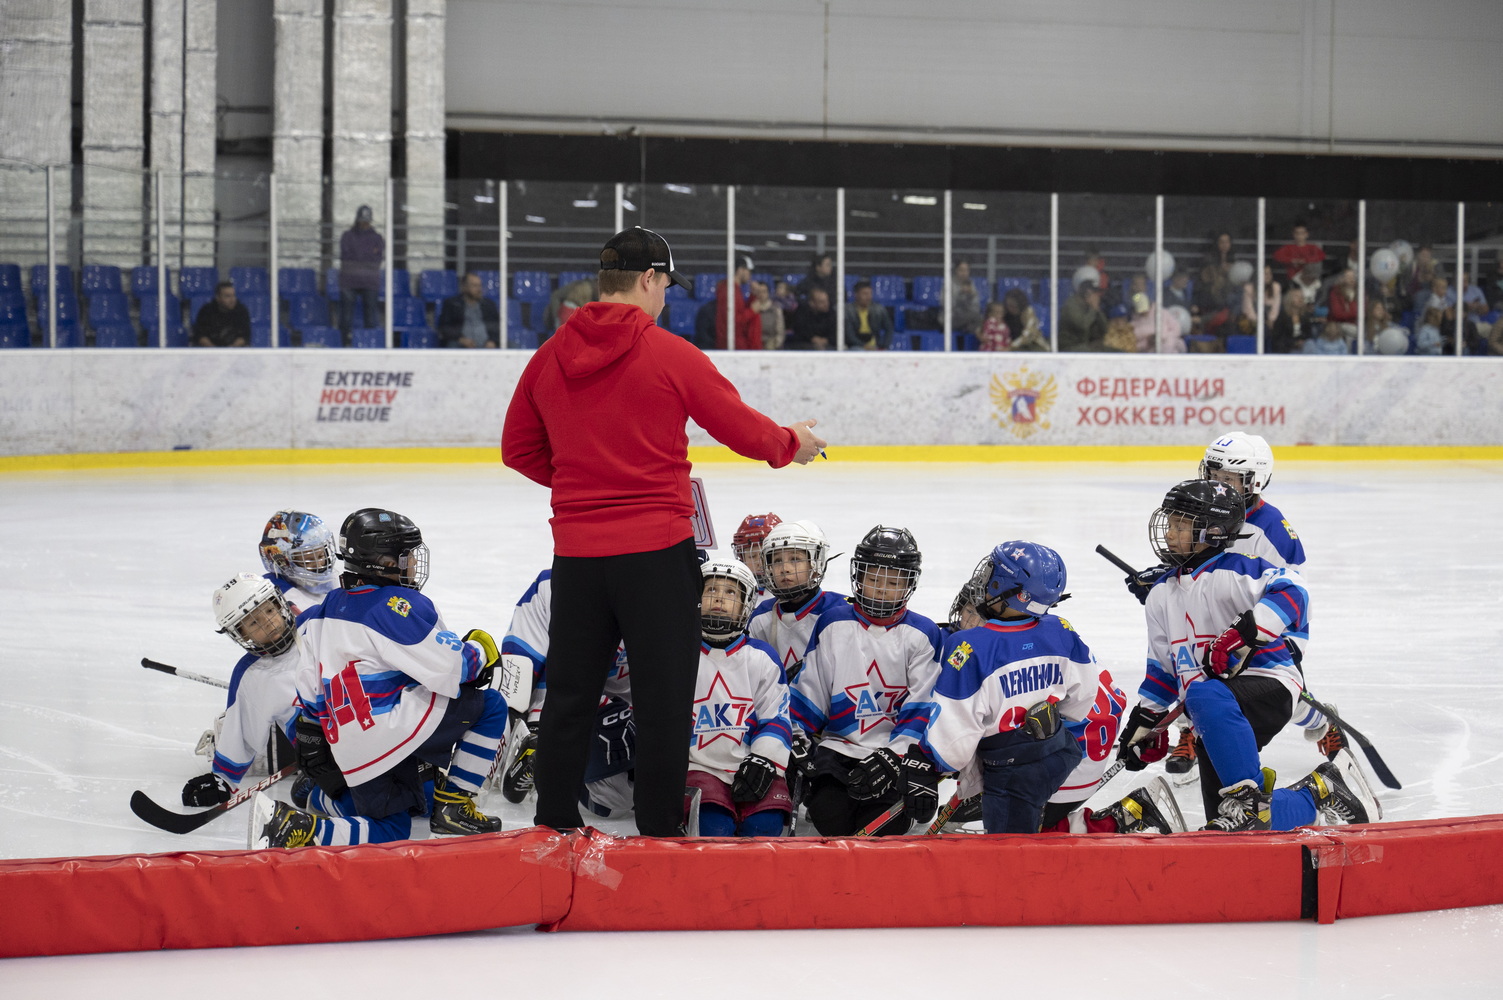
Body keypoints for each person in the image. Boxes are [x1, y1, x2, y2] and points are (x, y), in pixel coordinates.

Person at [500, 226, 825, 837]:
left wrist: (585, 487)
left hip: (578, 555)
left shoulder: (548, 355)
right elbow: (742, 429)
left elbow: (518, 448)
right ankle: (657, 836)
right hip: (656, 554)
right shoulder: (669, 353)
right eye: (665, 286)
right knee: (663, 701)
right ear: (648, 279)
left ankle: (552, 832)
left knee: (569, 696)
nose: (667, 299)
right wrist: (793, 444)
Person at [1115, 481, 1378, 832]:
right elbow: (1163, 669)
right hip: (1212, 714)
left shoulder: (1239, 569)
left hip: (1268, 685)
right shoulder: (1161, 594)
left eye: (1181, 524)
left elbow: (1295, 591)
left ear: (1214, 531)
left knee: (1204, 695)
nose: (1171, 533)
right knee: (1236, 820)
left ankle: (1282, 796)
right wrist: (1146, 723)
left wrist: (1245, 633)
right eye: (1171, 522)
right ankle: (1323, 793)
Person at [252, 508, 509, 848]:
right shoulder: (396, 605)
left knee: (392, 828)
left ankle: (302, 826)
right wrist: (479, 649)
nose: (414, 564)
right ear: (383, 562)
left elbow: (311, 695)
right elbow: (452, 669)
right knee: (490, 705)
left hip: (349, 747)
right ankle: (455, 807)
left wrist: (317, 733)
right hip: (391, 734)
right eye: (406, 556)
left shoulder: (321, 612)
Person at [921, 542, 1094, 834]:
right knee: (1033, 823)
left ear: (1011, 589)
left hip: (1011, 774)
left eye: (992, 573)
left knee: (1010, 855)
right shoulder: (1061, 629)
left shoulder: (969, 646)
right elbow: (1083, 697)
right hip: (1061, 752)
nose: (984, 579)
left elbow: (952, 747)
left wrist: (925, 762)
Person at [791, 526, 941, 836]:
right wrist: (795, 734)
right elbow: (812, 691)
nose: (882, 589)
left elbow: (921, 706)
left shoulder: (923, 635)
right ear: (858, 576)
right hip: (838, 747)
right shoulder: (834, 623)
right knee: (829, 818)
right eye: (874, 579)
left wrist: (896, 755)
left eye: (893, 581)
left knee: (883, 828)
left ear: (909, 584)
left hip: (895, 752)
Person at [497, 568, 635, 818]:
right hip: (576, 711)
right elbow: (519, 667)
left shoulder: (687, 591)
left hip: (636, 714)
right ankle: (538, 748)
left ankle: (544, 753)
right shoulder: (552, 585)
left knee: (622, 800)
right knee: (613, 803)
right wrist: (512, 728)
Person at [687, 558, 794, 836]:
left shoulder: (762, 657)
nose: (719, 599)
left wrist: (764, 760)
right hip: (697, 767)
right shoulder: (679, 655)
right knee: (713, 830)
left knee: (763, 829)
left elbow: (776, 717)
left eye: (731, 593)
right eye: (710, 590)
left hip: (752, 764)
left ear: (746, 603)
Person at [180, 574, 302, 810]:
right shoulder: (251, 676)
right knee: (314, 798)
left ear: (280, 604)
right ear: (242, 635)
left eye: (268, 612)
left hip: (372, 730)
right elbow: (241, 732)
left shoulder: (316, 627)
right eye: (253, 623)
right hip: (323, 759)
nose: (267, 623)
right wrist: (222, 781)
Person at [746, 519, 846, 680]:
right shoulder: (760, 617)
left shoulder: (840, 613)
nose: (785, 568)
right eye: (777, 561)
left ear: (815, 564)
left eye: (795, 559)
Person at [257, 509, 339, 615]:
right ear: (281, 561)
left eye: (321, 556)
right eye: (309, 560)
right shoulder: (274, 595)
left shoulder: (332, 582)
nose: (320, 565)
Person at [338, 205, 384, 342]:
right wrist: (368, 256)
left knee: (370, 316)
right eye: (362, 220)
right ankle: (344, 343)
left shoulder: (377, 238)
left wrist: (358, 256)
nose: (364, 223)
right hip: (352, 279)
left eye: (366, 221)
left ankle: (369, 343)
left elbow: (377, 259)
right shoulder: (347, 236)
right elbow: (346, 257)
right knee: (346, 316)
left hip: (365, 280)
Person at [437, 272, 500, 348]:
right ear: (464, 287)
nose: (479, 289)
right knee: (452, 346)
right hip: (460, 343)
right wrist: (461, 339)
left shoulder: (489, 305)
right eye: (474, 286)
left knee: (512, 345)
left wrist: (492, 340)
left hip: (487, 344)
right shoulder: (452, 304)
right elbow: (444, 328)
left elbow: (497, 326)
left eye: (480, 285)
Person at [715, 255, 761, 351]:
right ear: (741, 270)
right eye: (749, 271)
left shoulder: (733, 289)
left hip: (733, 343)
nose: (750, 275)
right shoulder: (729, 290)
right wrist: (752, 311)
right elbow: (734, 321)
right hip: (732, 344)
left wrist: (753, 296)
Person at [731, 512, 783, 596]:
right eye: (752, 556)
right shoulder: (738, 593)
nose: (760, 562)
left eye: (766, 555)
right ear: (742, 559)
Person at [191, 281, 251, 347]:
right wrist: (216, 351)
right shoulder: (206, 311)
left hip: (235, 352)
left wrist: (229, 351)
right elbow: (201, 336)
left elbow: (244, 337)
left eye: (233, 295)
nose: (232, 300)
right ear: (218, 298)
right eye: (227, 296)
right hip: (210, 352)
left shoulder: (241, 311)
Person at [845, 279, 894, 350]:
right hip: (855, 346)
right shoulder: (847, 311)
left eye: (870, 293)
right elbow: (849, 334)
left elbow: (889, 329)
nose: (868, 297)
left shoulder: (879, 309)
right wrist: (863, 346)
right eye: (865, 294)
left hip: (875, 345)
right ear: (856, 294)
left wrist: (884, 346)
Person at [1059, 280, 1107, 351]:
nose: (1097, 296)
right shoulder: (1070, 306)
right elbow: (1083, 326)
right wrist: (1093, 309)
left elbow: (1105, 329)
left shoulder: (1089, 307)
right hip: (1069, 346)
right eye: (1094, 293)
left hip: (1085, 345)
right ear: (1087, 294)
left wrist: (1097, 310)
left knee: (1112, 350)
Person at [1267, 287, 1309, 354]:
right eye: (1296, 296)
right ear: (1289, 299)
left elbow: (1309, 334)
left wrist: (1302, 341)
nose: (1300, 299)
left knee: (1311, 344)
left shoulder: (1305, 316)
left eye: (1302, 296)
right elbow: (1278, 338)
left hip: (1303, 347)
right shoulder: (1282, 316)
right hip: (1287, 349)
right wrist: (1294, 343)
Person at [947, 260, 983, 335]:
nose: (964, 273)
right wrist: (960, 293)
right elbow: (946, 304)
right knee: (978, 319)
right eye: (961, 270)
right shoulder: (949, 283)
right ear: (956, 271)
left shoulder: (970, 283)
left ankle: (968, 331)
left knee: (981, 318)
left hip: (968, 316)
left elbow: (976, 305)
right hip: (952, 317)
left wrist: (971, 296)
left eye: (966, 270)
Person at [749, 280, 785, 349]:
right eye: (759, 292)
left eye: (764, 292)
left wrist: (776, 345)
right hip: (755, 345)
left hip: (771, 344)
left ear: (768, 293)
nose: (761, 294)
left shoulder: (776, 309)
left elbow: (780, 331)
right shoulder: (752, 309)